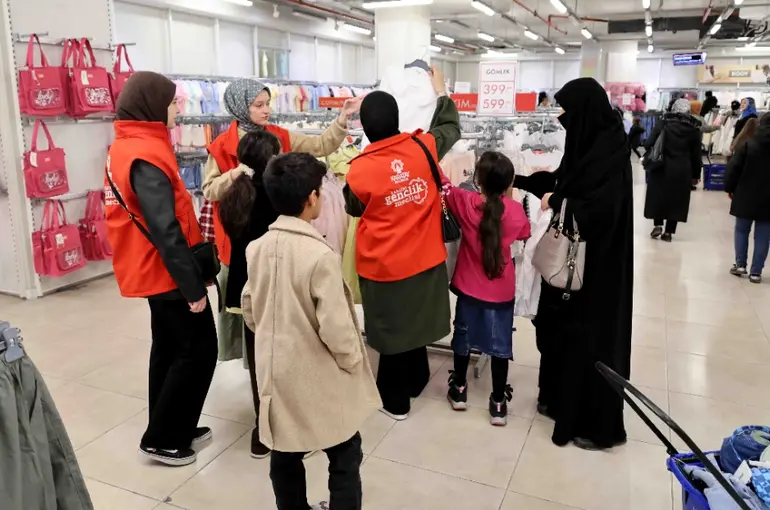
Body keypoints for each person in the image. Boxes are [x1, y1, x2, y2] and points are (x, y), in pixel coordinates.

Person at [202, 78, 362, 458]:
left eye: (266, 103)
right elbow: (209, 191)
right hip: (244, 256)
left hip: (278, 252)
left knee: (282, 340)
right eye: (258, 104)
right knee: (263, 345)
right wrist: (239, 171)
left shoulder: (280, 135)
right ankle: (268, 422)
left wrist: (340, 121)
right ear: (242, 107)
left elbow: (322, 145)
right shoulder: (221, 146)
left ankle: (281, 420)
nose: (265, 110)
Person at [242, 152, 381, 510]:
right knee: (345, 450)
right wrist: (352, 361)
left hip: (277, 373)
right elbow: (336, 328)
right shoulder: (320, 256)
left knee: (286, 451)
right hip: (316, 375)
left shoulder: (256, 248)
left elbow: (250, 307)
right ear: (311, 198)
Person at [513, 77, 634, 450]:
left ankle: (594, 425)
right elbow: (565, 180)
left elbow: (602, 211)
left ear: (584, 112)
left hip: (597, 271)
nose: (563, 119)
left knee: (589, 343)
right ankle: (557, 400)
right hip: (570, 265)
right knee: (558, 333)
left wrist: (559, 203)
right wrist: (518, 180)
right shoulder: (589, 142)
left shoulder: (610, 152)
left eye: (568, 111)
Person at [104, 72, 217, 466]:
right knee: (198, 351)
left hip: (157, 269)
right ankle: (163, 437)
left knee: (169, 350)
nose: (178, 108)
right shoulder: (144, 154)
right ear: (152, 106)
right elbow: (165, 228)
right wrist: (192, 288)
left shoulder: (135, 145)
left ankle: (175, 425)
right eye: (172, 102)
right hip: (166, 272)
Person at [343, 67, 461, 420]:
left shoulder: (359, 168)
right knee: (415, 323)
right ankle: (417, 379)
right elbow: (450, 128)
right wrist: (442, 93)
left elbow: (354, 206)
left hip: (384, 264)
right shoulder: (423, 148)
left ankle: (395, 401)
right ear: (398, 118)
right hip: (425, 258)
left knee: (391, 331)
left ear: (364, 128)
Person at [441, 152, 531, 426]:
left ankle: (459, 390)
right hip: (501, 291)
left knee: (463, 337)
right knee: (500, 345)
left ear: (477, 179)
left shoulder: (466, 201)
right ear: (510, 181)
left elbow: (445, 187)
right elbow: (524, 233)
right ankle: (499, 402)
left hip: (468, 287)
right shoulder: (515, 211)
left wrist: (432, 157)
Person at [217, 130, 281, 459]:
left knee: (258, 362)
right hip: (276, 285)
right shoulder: (278, 196)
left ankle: (262, 429)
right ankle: (285, 425)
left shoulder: (233, 195)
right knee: (284, 357)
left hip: (245, 287)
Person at [643, 99, 703, 240]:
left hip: (660, 167)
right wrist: (696, 175)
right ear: (688, 111)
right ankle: (669, 232)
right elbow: (696, 155)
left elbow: (648, 143)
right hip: (682, 169)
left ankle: (658, 225)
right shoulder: (694, 129)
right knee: (676, 200)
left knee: (658, 196)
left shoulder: (663, 123)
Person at [725, 113, 770, 284]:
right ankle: (756, 272)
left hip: (746, 194)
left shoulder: (748, 144)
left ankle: (741, 264)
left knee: (742, 230)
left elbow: (733, 168)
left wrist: (729, 188)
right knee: (764, 235)